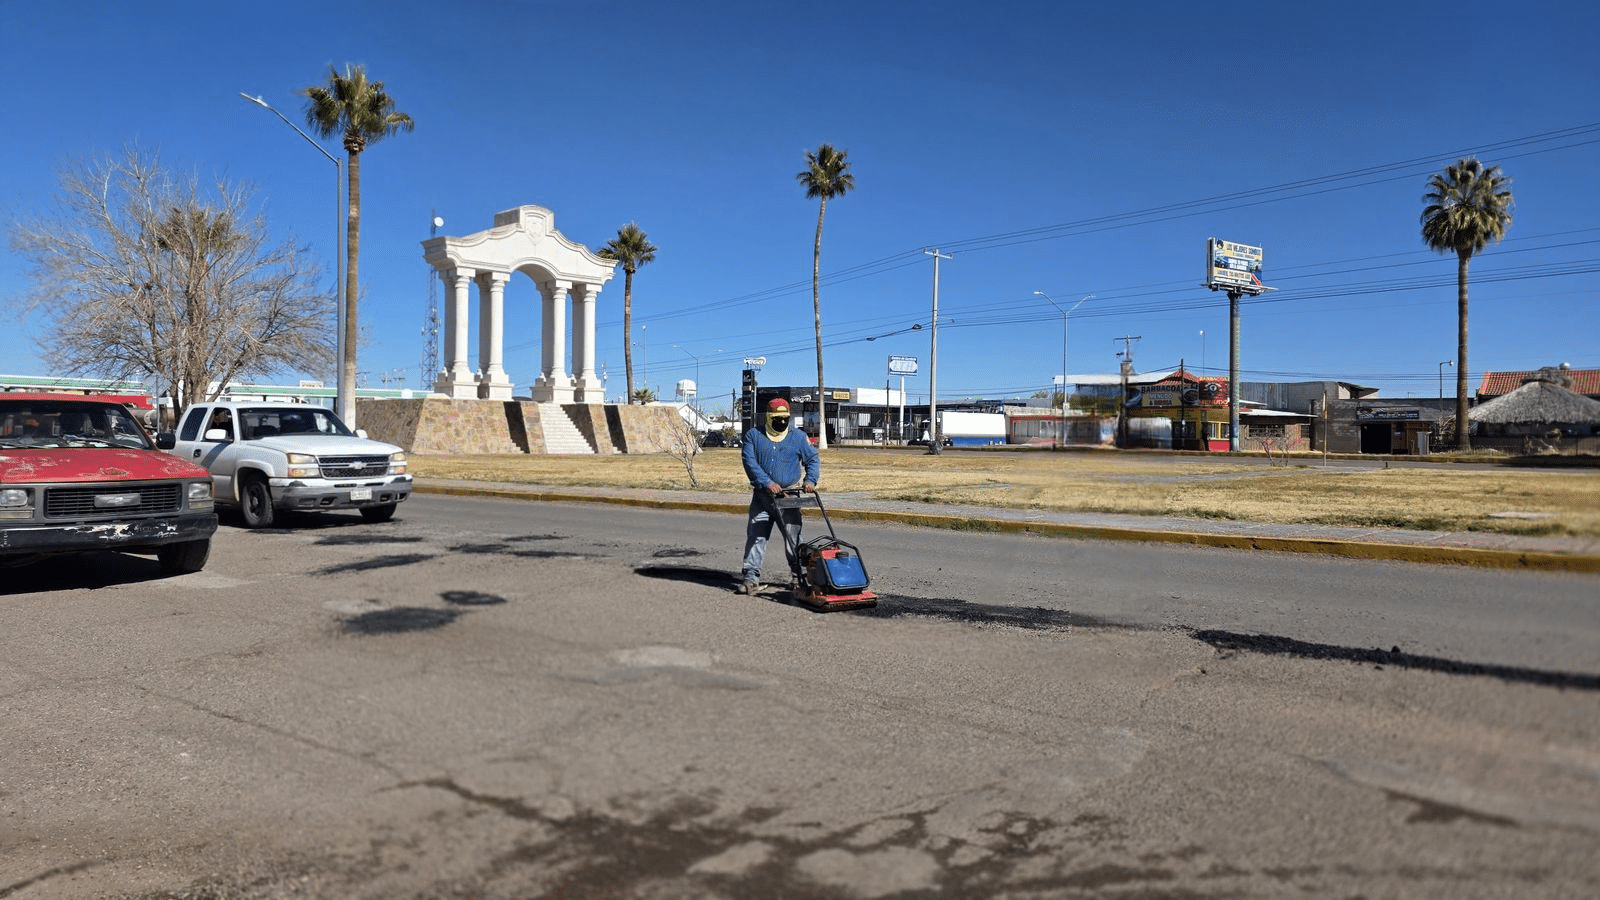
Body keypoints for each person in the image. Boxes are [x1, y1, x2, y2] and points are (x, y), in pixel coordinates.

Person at [738, 397, 820, 595]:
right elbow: (749, 462)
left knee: (793, 538)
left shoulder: (798, 437)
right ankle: (751, 578)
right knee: (756, 537)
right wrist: (767, 483)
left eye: (785, 419)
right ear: (768, 417)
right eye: (777, 419)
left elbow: (812, 459)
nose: (782, 422)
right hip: (762, 497)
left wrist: (810, 480)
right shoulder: (753, 436)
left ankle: (798, 577)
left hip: (789, 497)